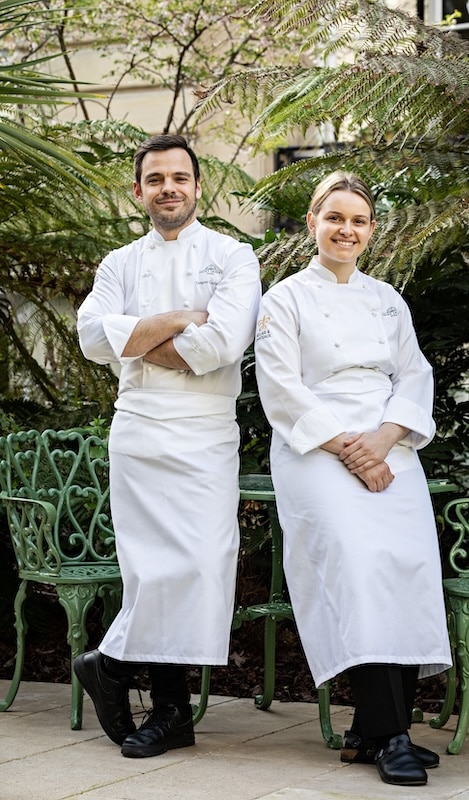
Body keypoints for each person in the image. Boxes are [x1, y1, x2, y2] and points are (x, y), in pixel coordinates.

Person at [254, 171, 452, 787]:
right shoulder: (283, 299)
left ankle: (372, 733)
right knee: (358, 574)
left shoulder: (388, 298)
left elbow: (414, 377)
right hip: (315, 448)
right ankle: (391, 734)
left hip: (390, 445)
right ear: (312, 223)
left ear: (371, 230)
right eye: (334, 218)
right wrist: (348, 447)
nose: (347, 229)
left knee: (404, 569)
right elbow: (280, 387)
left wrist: (384, 441)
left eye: (359, 220)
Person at [74, 134, 261, 759]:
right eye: (155, 180)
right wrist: (184, 316)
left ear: (198, 186)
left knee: (203, 565)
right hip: (139, 427)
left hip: (207, 428)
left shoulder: (235, 256)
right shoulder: (119, 263)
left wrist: (134, 336)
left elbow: (223, 347)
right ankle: (172, 714)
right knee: (151, 569)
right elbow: (91, 338)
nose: (168, 188)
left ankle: (112, 664)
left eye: (179, 177)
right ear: (139, 191)